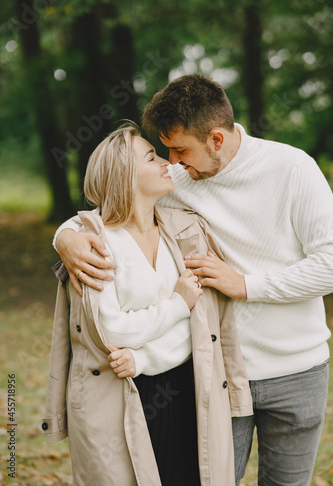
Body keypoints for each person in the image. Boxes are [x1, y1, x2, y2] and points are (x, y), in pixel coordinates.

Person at [53, 75, 333, 485]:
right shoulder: (180, 178)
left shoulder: (293, 169)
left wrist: (246, 284)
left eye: (180, 149)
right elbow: (111, 204)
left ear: (216, 140)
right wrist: (66, 238)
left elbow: (329, 263)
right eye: (164, 151)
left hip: (299, 372)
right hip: (217, 374)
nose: (172, 161)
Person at [41, 123, 252, 486]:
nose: (167, 163)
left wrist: (144, 357)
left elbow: (199, 330)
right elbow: (110, 330)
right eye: (152, 156)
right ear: (124, 173)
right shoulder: (95, 246)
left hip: (186, 390)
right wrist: (176, 305)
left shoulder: (184, 232)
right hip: (120, 395)